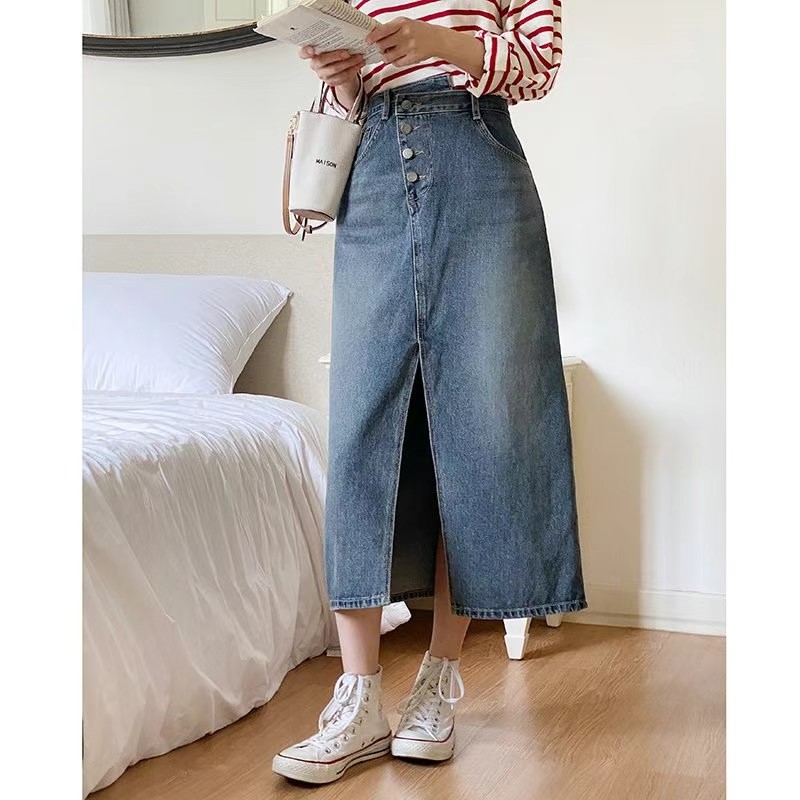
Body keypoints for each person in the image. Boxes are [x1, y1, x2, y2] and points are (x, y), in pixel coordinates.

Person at [272, 0, 585, 784]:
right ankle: (357, 700)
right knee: (361, 432)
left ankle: (438, 683)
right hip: (372, 175)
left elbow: (539, 65)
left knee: (476, 429)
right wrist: (341, 76)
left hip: (479, 166)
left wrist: (438, 40)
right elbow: (348, 92)